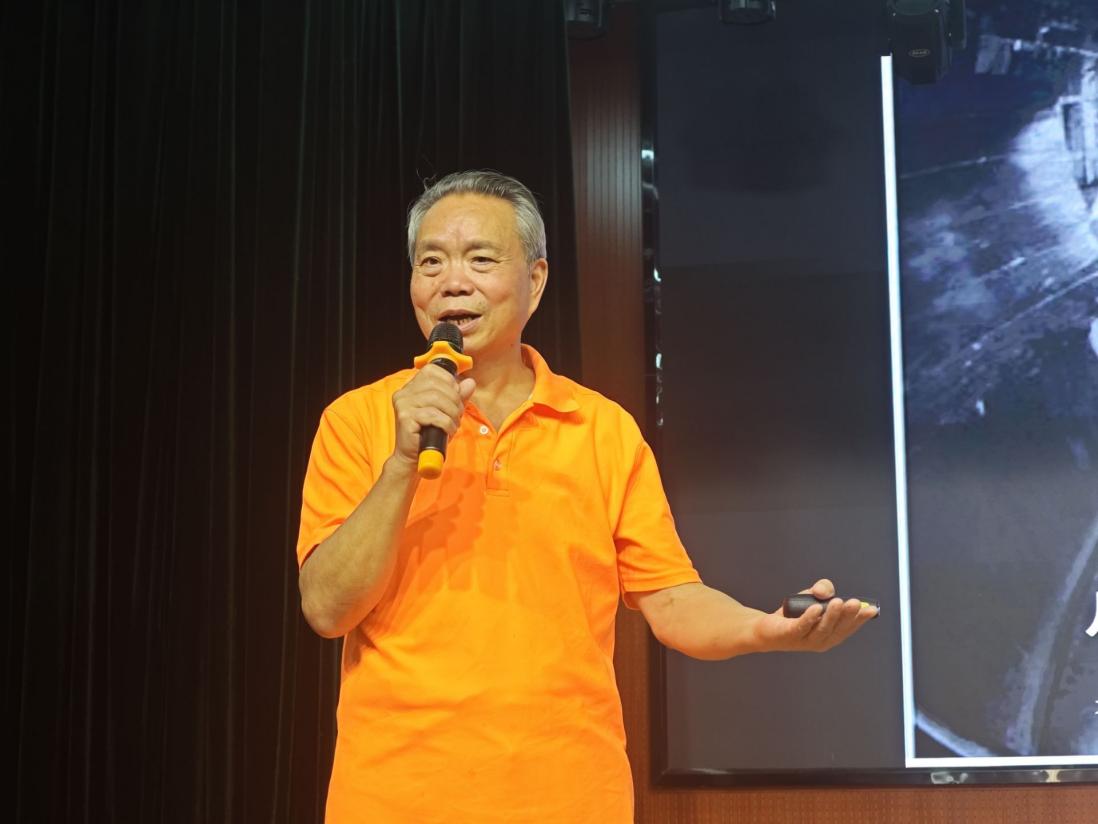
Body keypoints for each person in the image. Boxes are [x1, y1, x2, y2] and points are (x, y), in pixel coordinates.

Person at [296, 170, 877, 823]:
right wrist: (403, 462)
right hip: (396, 799)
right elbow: (327, 608)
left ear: (536, 279)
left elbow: (672, 600)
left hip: (571, 799)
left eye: (480, 259)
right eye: (431, 262)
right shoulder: (358, 420)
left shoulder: (602, 430)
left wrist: (762, 629)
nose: (452, 282)